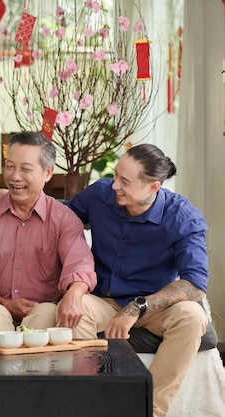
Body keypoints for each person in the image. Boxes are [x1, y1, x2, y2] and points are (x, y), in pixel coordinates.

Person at [64, 144, 209, 417]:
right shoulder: (100, 194)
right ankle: (94, 406)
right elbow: (60, 216)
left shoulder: (182, 216)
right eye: (117, 175)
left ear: (153, 187)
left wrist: (137, 307)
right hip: (104, 300)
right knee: (75, 309)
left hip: (154, 306)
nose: (115, 185)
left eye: (125, 182)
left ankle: (148, 410)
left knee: (193, 317)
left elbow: (195, 284)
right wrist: (9, 197)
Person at [0, 131, 97, 337]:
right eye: (10, 166)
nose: (14, 176)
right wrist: (3, 302)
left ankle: (29, 368)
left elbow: (80, 265)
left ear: (48, 172)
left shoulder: (63, 219)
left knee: (48, 311)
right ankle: (0, 368)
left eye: (25, 169)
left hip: (42, 311)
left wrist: (75, 292)